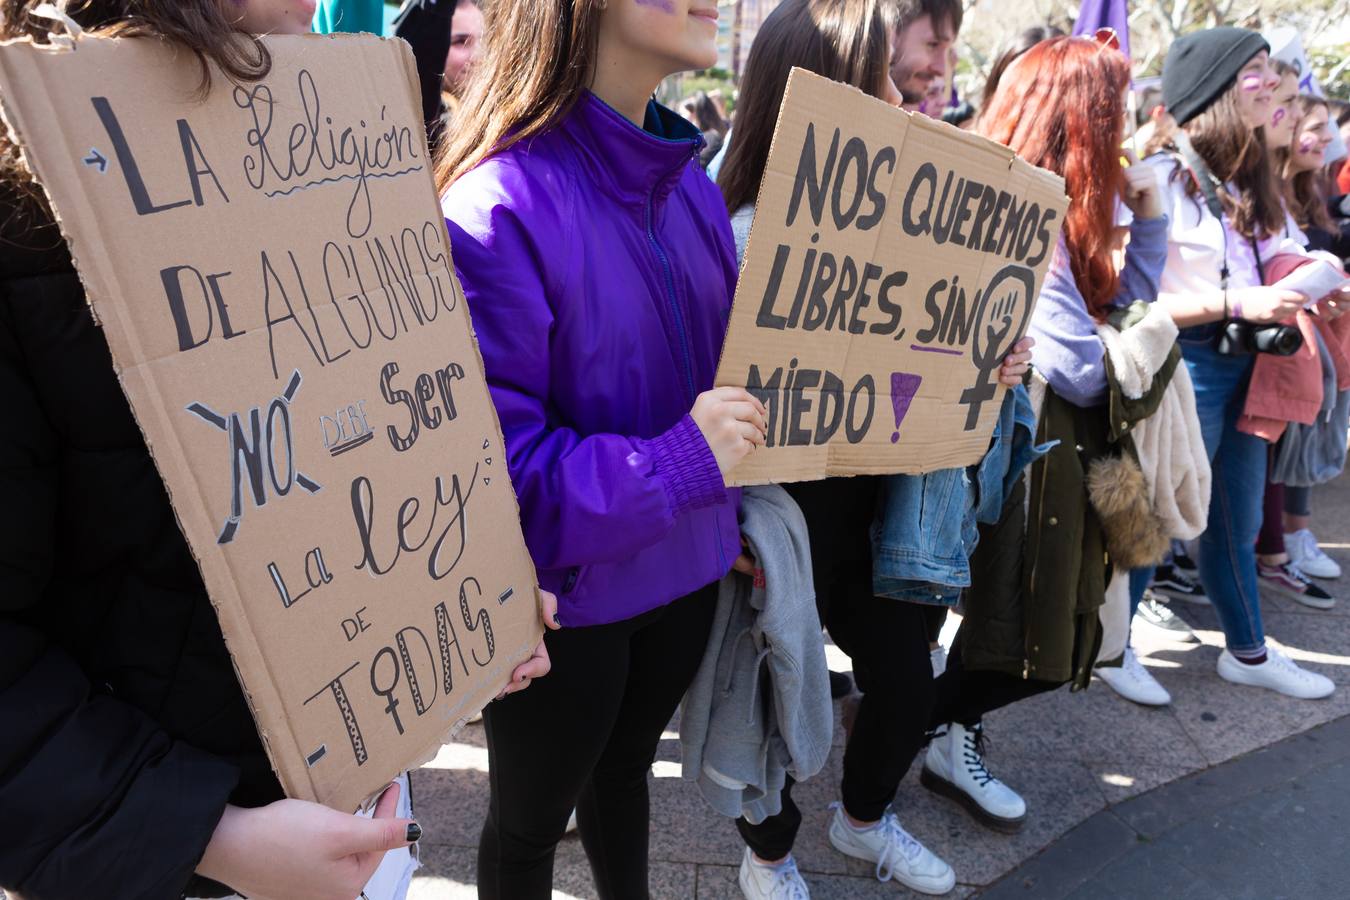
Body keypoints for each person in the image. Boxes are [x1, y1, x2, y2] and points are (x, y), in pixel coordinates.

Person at [0, 3, 553, 900]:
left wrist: (471, 609)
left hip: (349, 810)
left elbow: (369, 456)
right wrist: (212, 836)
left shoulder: (342, 138)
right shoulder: (23, 220)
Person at [436, 1, 768, 897]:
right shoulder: (492, 206)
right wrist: (684, 463)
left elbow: (753, 376)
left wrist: (962, 363)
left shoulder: (691, 185)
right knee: (527, 827)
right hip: (568, 607)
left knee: (623, 777)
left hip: (692, 572)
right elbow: (494, 478)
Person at [719, 3, 1036, 897]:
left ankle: (863, 823)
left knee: (902, 683)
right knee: (772, 694)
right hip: (779, 513)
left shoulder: (917, 225)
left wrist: (993, 360)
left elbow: (939, 351)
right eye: (884, 79)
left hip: (890, 508)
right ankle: (769, 857)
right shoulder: (735, 232)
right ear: (821, 91)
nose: (905, 94)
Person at [1143, 27, 1337, 699]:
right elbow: (1130, 299)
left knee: (1238, 517)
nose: (1274, 83)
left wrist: (1313, 272)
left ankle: (1248, 652)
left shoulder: (1250, 176)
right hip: (1186, 362)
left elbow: (1281, 250)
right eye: (1254, 70)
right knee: (1163, 512)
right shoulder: (1161, 175)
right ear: (1215, 88)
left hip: (1247, 363)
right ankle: (1112, 652)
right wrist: (1238, 297)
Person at [980, 34, 1173, 706]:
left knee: (1026, 642)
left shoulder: (1042, 207)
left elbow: (1116, 324)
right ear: (1081, 123)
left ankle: (935, 735)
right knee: (1026, 648)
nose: (1121, 124)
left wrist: (1148, 225)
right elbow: (1088, 373)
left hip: (1029, 456)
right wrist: (1127, 325)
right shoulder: (1025, 215)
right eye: (1111, 109)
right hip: (1013, 465)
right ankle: (921, 742)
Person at [1251, 67, 1339, 608]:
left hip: (1303, 335)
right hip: (1269, 342)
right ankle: (1271, 553)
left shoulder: (1305, 190)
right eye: (1317, 125)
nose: (1327, 139)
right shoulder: (1262, 189)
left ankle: (1279, 547)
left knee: (1284, 450)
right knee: (1263, 455)